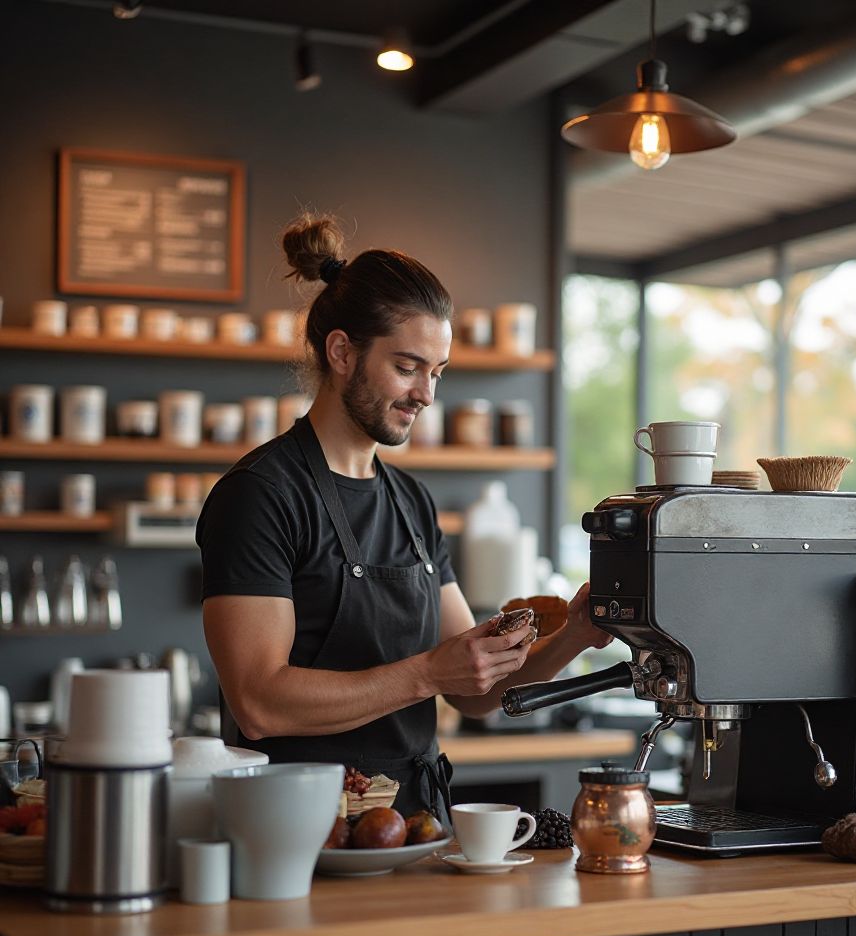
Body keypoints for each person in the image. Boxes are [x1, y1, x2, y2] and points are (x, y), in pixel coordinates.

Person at [197, 213, 612, 820]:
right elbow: (259, 701)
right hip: (301, 830)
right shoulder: (261, 495)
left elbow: (477, 693)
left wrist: (573, 634)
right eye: (408, 366)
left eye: (437, 372)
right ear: (342, 352)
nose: (427, 394)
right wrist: (425, 675)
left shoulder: (412, 503)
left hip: (416, 821)